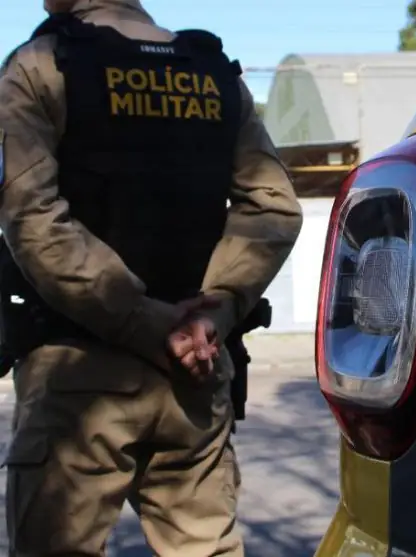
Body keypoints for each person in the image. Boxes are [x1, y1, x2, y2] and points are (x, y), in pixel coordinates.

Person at [0, 0, 303, 554]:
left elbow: (33, 219)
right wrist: (215, 311)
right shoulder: (214, 73)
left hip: (79, 379)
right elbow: (273, 206)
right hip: (196, 369)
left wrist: (147, 322)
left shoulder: (40, 65)